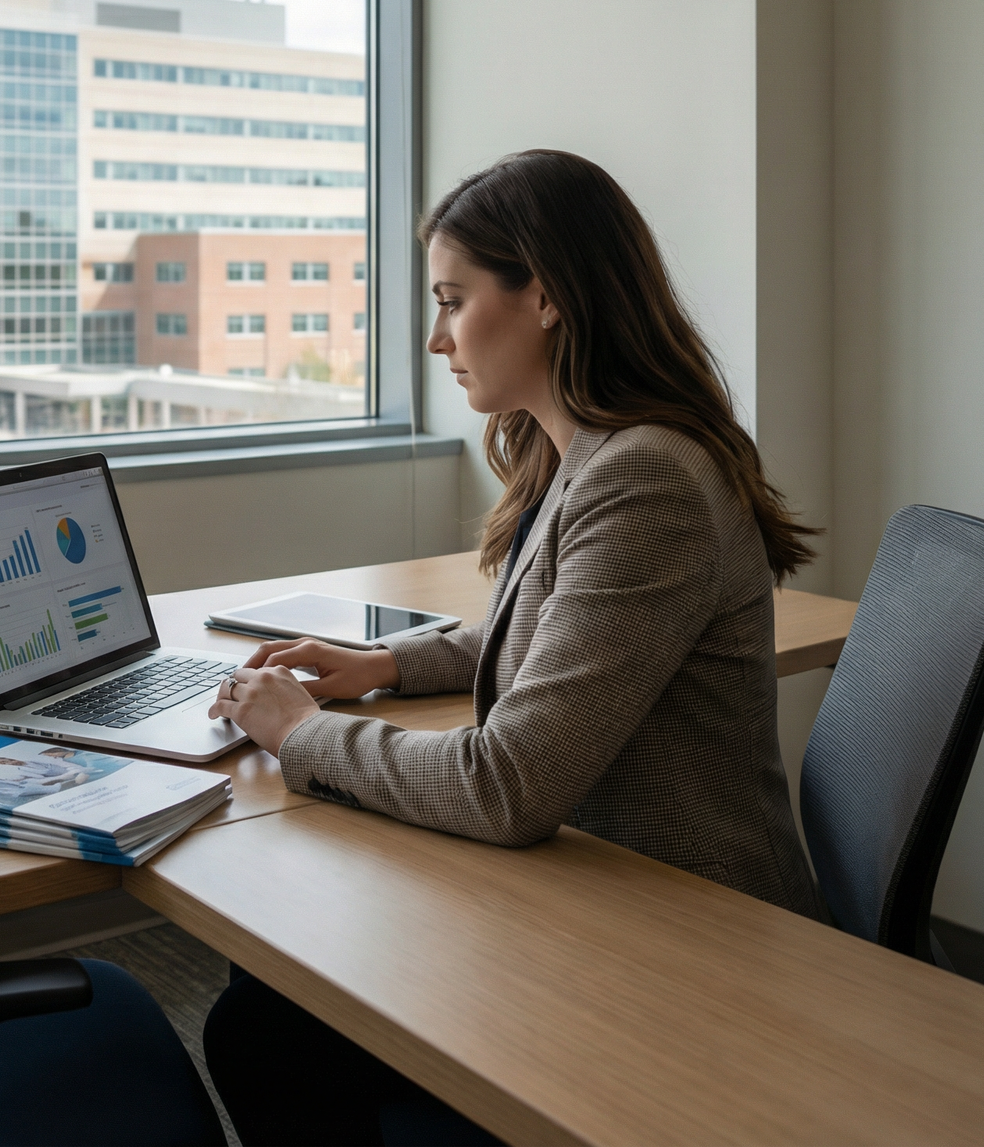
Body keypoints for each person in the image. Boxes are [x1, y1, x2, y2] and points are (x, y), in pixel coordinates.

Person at [202, 149, 824, 1147]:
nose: (436, 335)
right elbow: (550, 620)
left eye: (454, 298)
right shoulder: (579, 450)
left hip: (680, 936)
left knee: (270, 1024)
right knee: (276, 991)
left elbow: (508, 783)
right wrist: (389, 665)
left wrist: (302, 736)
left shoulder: (645, 476)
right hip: (588, 890)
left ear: (543, 293)